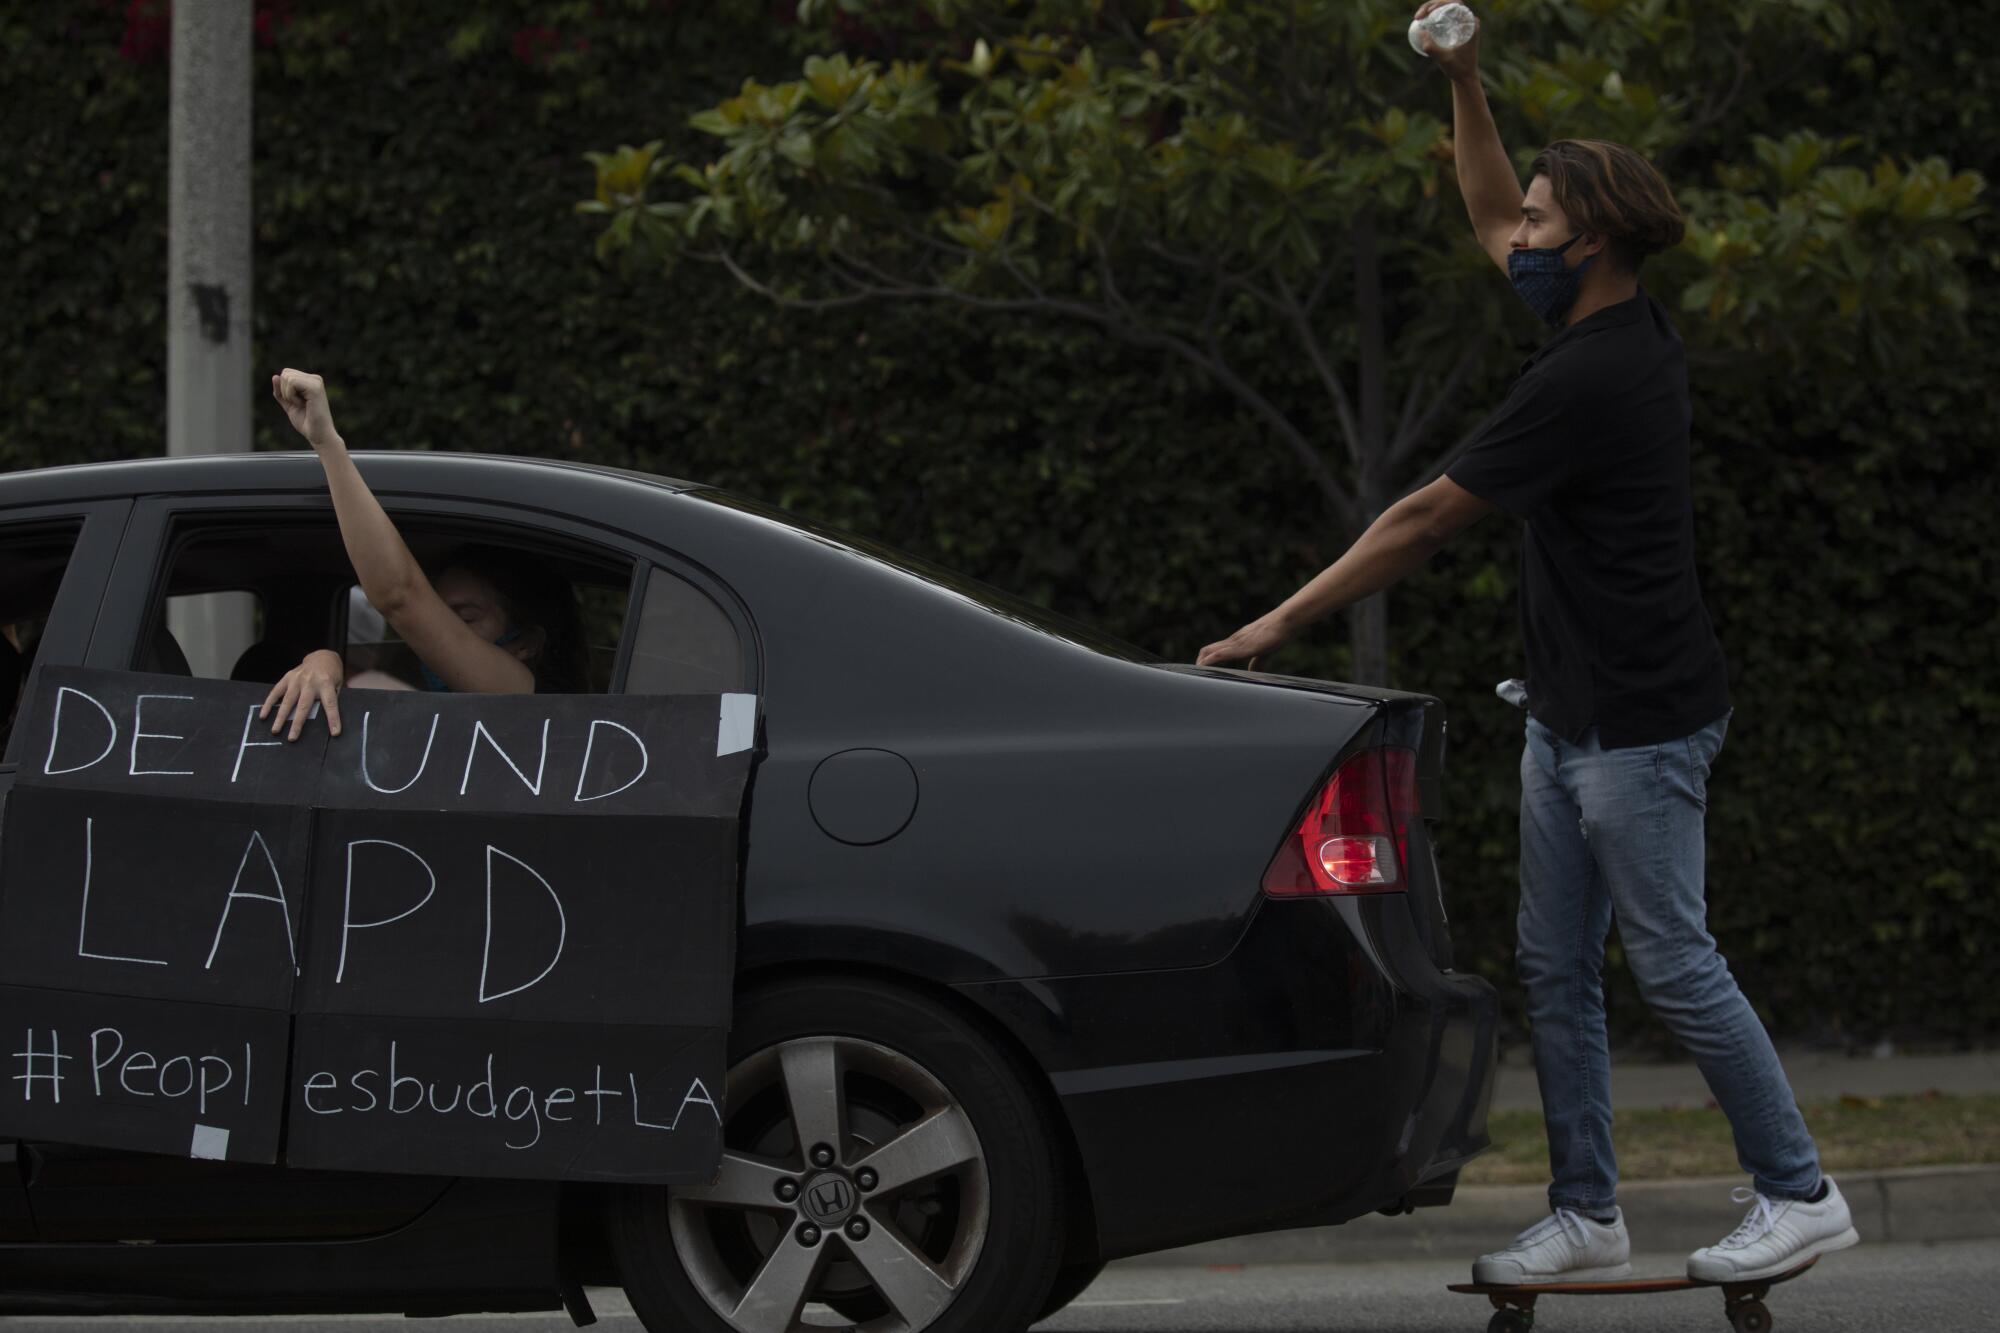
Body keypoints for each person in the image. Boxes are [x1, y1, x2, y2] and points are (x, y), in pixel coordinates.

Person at [1197, 1, 1857, 1288]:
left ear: (1595, 241)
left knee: (1671, 955)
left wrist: (1275, 619)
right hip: (1567, 706)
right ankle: (1586, 1210)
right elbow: (1489, 209)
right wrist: (1467, 86)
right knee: (1556, 969)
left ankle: (1800, 1189)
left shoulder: (1588, 376)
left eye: (1547, 227)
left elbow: (1425, 515)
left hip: (1639, 719)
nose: (1520, 240)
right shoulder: (1591, 316)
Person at [261, 368, 585, 740]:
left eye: (464, 619)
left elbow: (401, 596)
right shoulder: (420, 701)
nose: (437, 629)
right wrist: (323, 663)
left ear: (526, 644)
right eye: (439, 612)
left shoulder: (529, 697)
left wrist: (327, 444)